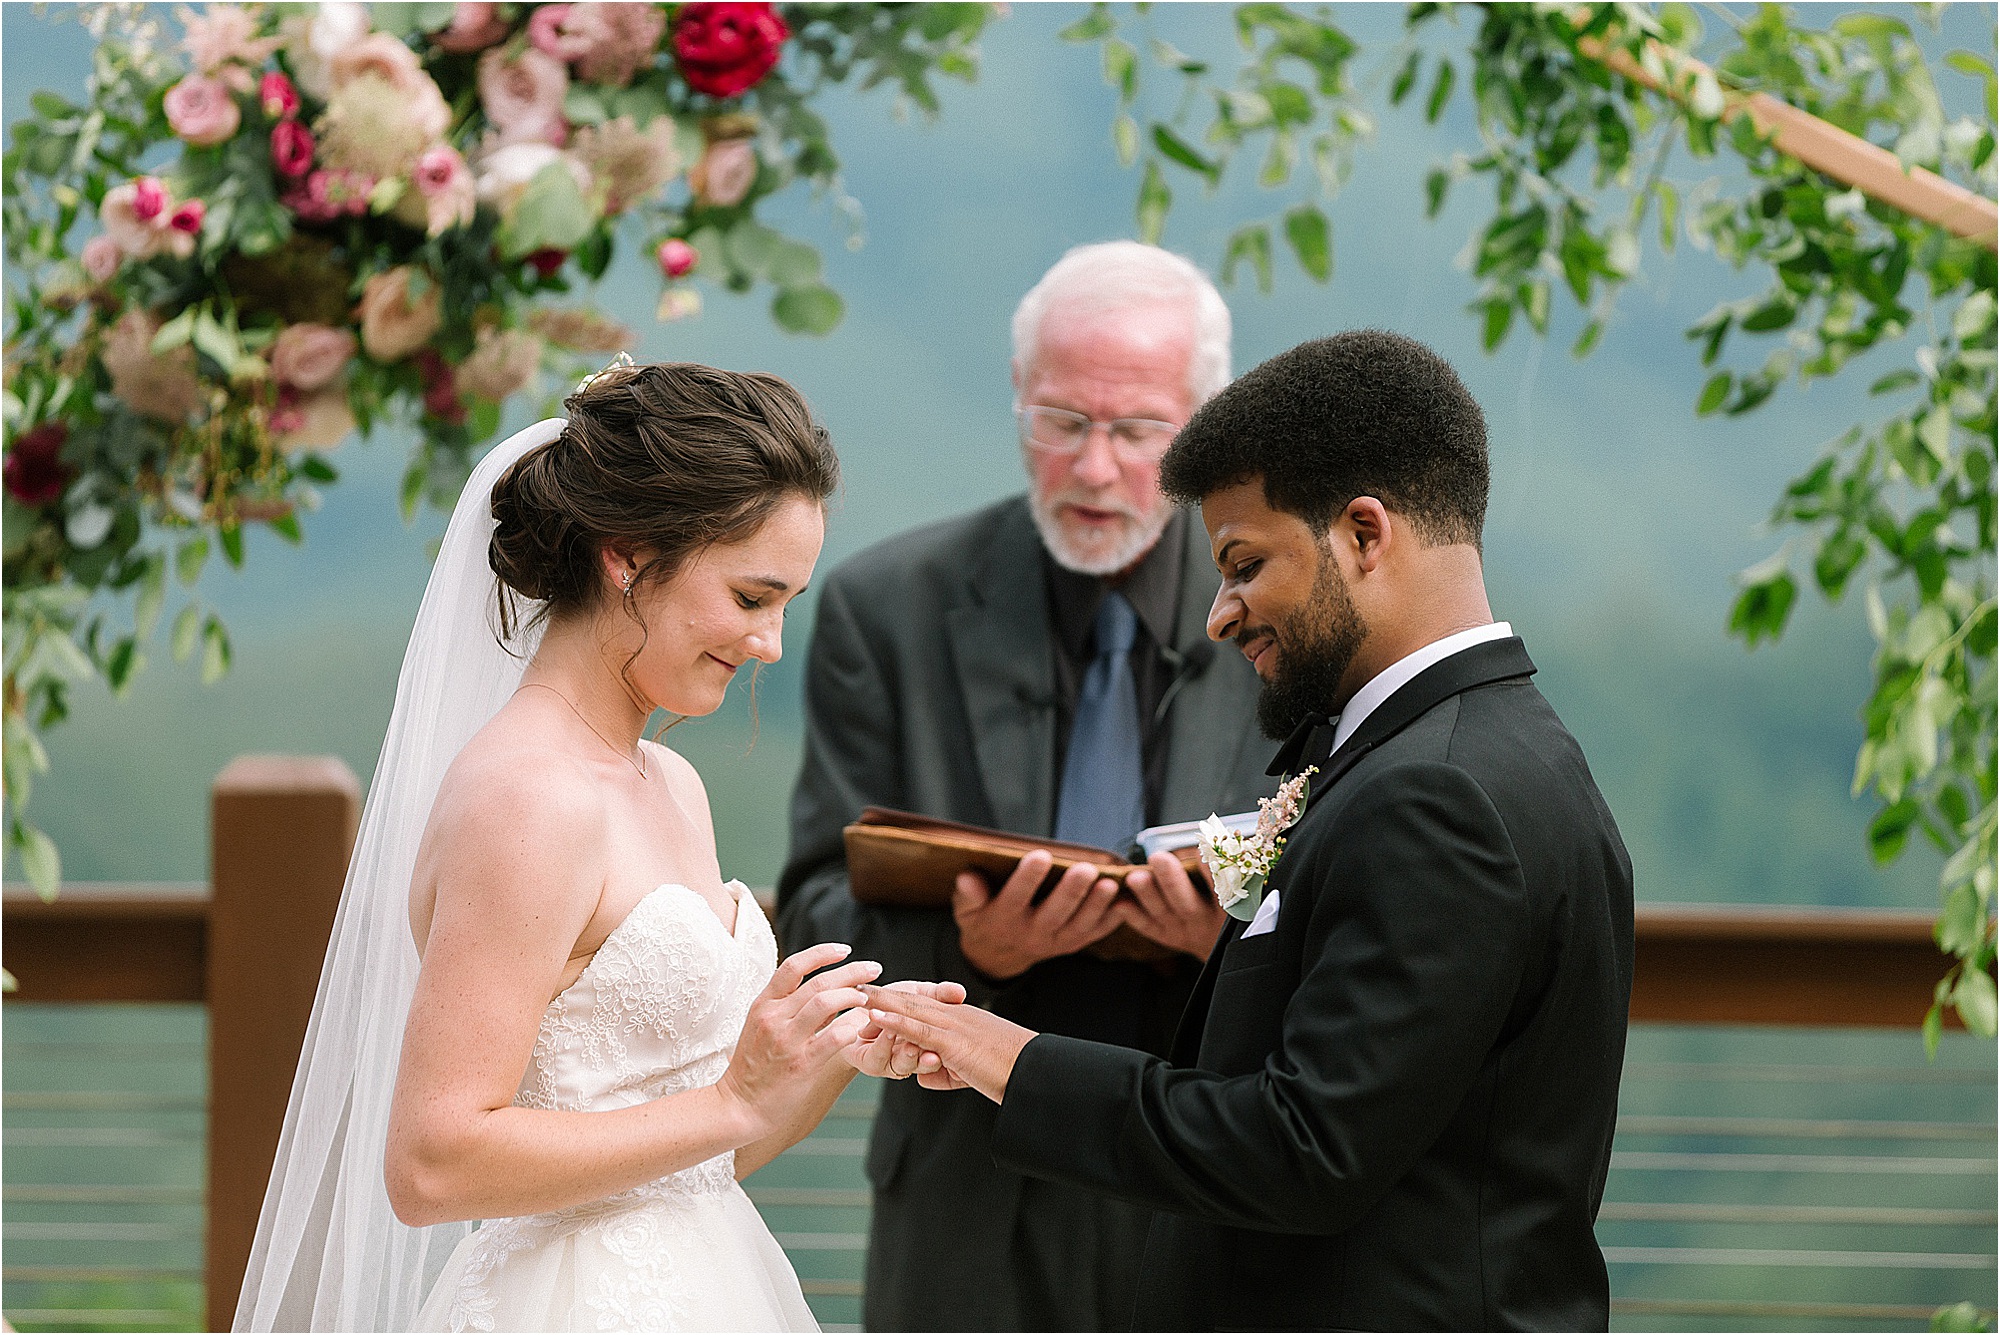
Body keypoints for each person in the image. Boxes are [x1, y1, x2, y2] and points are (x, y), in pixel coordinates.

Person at [861, 331, 1638, 1331]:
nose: (1218, 616)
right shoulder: (1486, 748)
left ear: (1363, 533)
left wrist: (1009, 1060)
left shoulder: (1432, 796)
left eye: (1241, 564)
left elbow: (1303, 1148)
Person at [234, 362, 945, 1333]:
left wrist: (823, 1053)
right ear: (628, 557)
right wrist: (733, 1101)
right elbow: (432, 1164)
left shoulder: (673, 787)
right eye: (749, 597)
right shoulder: (525, 799)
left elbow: (687, 1158)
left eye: (785, 603)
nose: (771, 642)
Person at [778, 241, 1277, 1330]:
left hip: (1210, 1186)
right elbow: (811, 911)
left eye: (1139, 431)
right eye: (1060, 422)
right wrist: (970, 953)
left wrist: (1224, 946)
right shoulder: (885, 607)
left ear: (1206, 429)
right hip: (964, 1196)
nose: (1093, 468)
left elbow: (1359, 911)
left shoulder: (1284, 615)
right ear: (1015, 403)